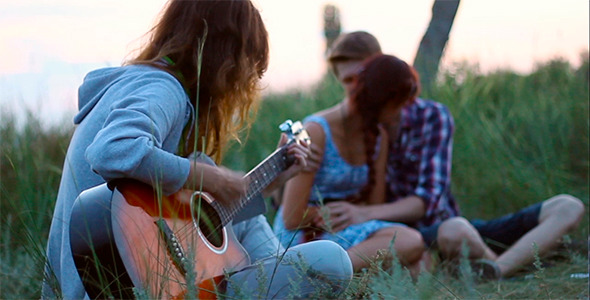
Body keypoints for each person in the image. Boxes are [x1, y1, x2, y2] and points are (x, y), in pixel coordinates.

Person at [41, 1, 353, 299]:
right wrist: (209, 177)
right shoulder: (161, 89)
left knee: (234, 217)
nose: (244, 80)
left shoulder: (139, 85)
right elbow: (112, 150)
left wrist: (267, 179)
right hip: (119, 288)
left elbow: (178, 227)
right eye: (248, 63)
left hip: (124, 281)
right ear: (225, 52)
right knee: (331, 260)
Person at [300, 30, 585, 280]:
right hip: (403, 237)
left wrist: (364, 212)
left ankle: (497, 270)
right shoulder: (345, 129)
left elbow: (426, 201)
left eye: (359, 78)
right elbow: (312, 192)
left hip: (446, 224)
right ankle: (515, 268)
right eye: (346, 82)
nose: (354, 89)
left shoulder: (431, 115)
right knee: (455, 231)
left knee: (567, 206)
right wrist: (294, 166)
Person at [273, 53, 429, 276]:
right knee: (410, 241)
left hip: (347, 230)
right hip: (305, 234)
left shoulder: (379, 138)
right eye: (399, 106)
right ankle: (326, 274)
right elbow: (291, 217)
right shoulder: (317, 131)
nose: (400, 113)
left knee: (423, 263)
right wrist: (331, 213)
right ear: (384, 101)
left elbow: (374, 206)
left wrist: (355, 212)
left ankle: (335, 278)